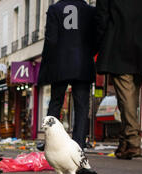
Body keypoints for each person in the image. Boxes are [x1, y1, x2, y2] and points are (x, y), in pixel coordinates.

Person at [37, 0, 97, 150]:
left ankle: (50, 142)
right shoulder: (90, 10)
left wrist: (48, 63)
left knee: (55, 102)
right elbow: (97, 35)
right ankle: (79, 144)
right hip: (83, 62)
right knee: (82, 106)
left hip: (60, 62)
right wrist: (89, 52)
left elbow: (51, 40)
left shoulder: (54, 9)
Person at [95, 0, 142, 159]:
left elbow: (101, 18)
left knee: (126, 98)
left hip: (119, 45)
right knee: (131, 98)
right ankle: (124, 143)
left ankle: (131, 141)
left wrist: (98, 44)